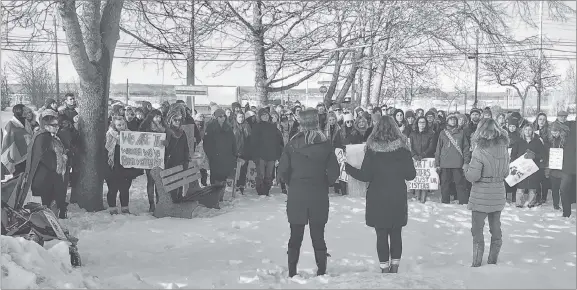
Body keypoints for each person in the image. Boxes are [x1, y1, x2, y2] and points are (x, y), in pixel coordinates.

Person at [345, 116, 416, 273]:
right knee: (396, 232)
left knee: (381, 234)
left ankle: (384, 268)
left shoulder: (372, 150)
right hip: (397, 194)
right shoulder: (403, 149)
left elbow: (365, 176)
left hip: (377, 196)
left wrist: (348, 168)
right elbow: (411, 175)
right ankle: (395, 267)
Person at [277, 108, 339, 278]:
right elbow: (334, 173)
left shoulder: (292, 144)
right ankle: (321, 271)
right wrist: (324, 182)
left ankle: (291, 271)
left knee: (295, 234)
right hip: (318, 193)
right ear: (317, 123)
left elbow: (282, 171)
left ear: (301, 124)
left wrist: (293, 182)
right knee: (318, 234)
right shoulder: (325, 144)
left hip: (297, 193)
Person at [463, 118, 509, 267]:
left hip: (481, 194)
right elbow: (507, 172)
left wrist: (465, 169)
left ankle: (476, 262)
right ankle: (492, 260)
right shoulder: (503, 147)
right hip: (498, 192)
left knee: (477, 229)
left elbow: (473, 176)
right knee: (496, 227)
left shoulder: (479, 150)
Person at [22, 115, 69, 218]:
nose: (58, 127)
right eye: (54, 125)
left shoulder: (47, 136)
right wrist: (56, 166)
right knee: (47, 203)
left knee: (51, 202)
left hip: (48, 175)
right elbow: (43, 156)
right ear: (46, 126)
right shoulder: (43, 137)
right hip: (45, 176)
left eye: (58, 125)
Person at [105, 117, 142, 214]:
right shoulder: (109, 135)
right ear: (114, 125)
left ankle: (125, 207)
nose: (121, 127)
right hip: (113, 165)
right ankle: (112, 208)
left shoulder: (130, 134)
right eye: (119, 125)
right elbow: (106, 149)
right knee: (113, 188)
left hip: (126, 165)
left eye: (123, 124)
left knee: (125, 187)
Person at [435, 114, 471, 204]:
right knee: (445, 184)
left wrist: (466, 162)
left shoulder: (461, 133)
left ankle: (463, 202)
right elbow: (438, 148)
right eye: (451, 119)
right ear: (447, 121)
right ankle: (445, 202)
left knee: (460, 184)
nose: (453, 121)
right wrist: (437, 163)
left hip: (458, 162)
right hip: (444, 163)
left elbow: (466, 148)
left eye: (454, 119)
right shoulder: (442, 133)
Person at [511, 123, 546, 208]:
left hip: (533, 167)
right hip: (521, 167)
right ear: (523, 131)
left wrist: (535, 156)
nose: (527, 131)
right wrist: (517, 162)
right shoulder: (518, 142)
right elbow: (513, 155)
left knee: (532, 186)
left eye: (529, 129)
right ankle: (519, 203)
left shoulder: (537, 142)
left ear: (532, 131)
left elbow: (543, 155)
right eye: (526, 129)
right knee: (520, 186)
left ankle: (531, 203)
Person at [250, 108, 283, 196]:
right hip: (260, 155)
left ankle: (266, 190)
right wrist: (255, 155)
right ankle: (260, 191)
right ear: (260, 117)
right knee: (261, 175)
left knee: (269, 175)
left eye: (266, 115)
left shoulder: (273, 127)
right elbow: (253, 142)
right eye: (263, 115)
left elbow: (277, 141)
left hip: (271, 155)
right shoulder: (256, 127)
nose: (265, 116)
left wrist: (277, 154)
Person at [138, 110, 166, 211]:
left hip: (159, 158)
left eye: (159, 116)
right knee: (151, 181)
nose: (158, 119)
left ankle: (159, 202)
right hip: (149, 158)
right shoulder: (144, 127)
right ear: (151, 117)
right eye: (156, 116)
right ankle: (151, 204)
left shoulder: (164, 127)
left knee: (159, 181)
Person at [203, 109, 236, 186]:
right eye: (220, 116)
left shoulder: (228, 127)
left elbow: (233, 142)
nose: (223, 118)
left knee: (223, 178)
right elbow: (206, 143)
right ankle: (215, 196)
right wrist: (211, 155)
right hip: (215, 157)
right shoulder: (211, 127)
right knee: (215, 178)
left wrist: (234, 154)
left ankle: (221, 196)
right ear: (216, 117)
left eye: (224, 116)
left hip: (226, 157)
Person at [409, 116, 436, 203]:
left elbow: (431, 147)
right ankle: (417, 199)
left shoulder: (430, 134)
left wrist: (423, 155)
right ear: (417, 123)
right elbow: (410, 145)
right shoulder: (412, 134)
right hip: (415, 159)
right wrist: (414, 155)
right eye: (420, 122)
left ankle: (423, 200)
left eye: (423, 122)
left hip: (426, 159)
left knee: (424, 180)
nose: (422, 124)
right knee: (417, 179)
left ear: (426, 123)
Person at [2, 104, 32, 175]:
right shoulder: (10, 125)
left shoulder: (26, 122)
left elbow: (29, 135)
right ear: (19, 111)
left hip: (27, 156)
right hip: (16, 159)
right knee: (18, 179)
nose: (26, 112)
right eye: (24, 110)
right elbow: (7, 143)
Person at [546, 122, 566, 210]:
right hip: (553, 167)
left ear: (560, 131)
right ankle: (556, 204)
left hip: (563, 167)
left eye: (556, 132)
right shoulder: (551, 140)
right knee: (554, 187)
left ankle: (565, 203)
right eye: (553, 132)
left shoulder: (565, 140)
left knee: (563, 188)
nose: (554, 134)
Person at [232, 111, 252, 195]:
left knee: (243, 169)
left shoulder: (247, 126)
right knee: (235, 170)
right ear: (236, 118)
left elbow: (250, 139)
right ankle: (234, 186)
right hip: (235, 151)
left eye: (242, 117)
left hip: (245, 151)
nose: (241, 119)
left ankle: (241, 185)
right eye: (239, 117)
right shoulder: (232, 126)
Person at [561, 121, 576, 217]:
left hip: (568, 166)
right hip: (568, 166)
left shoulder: (569, 125)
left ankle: (566, 213)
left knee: (565, 189)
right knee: (564, 189)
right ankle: (566, 213)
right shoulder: (570, 125)